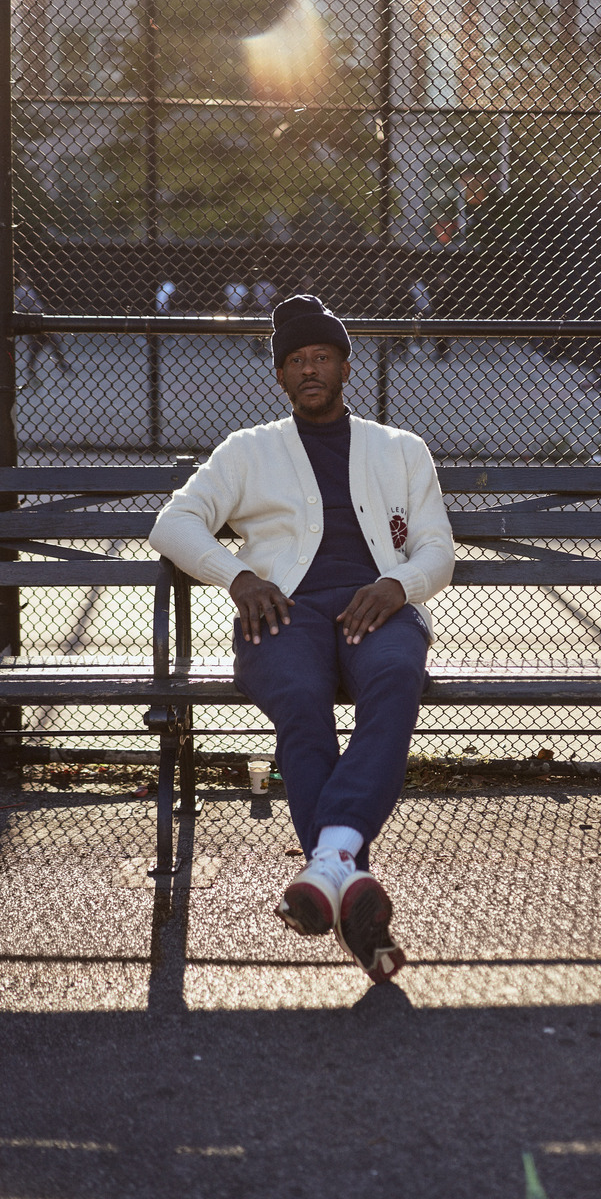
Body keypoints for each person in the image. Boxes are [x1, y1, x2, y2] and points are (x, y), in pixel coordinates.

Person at [149, 295, 455, 984]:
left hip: (378, 607)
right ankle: (345, 870)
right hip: (283, 613)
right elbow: (174, 523)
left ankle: (327, 866)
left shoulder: (401, 449)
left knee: (395, 680)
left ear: (345, 367)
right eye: (295, 360)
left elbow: (436, 549)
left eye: (321, 356)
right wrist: (238, 578)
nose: (309, 368)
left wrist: (398, 585)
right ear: (280, 376)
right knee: (299, 699)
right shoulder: (247, 450)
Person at [14, 273, 72, 379]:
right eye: (23, 276)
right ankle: (61, 363)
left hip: (35, 320)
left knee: (39, 345)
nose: (27, 278)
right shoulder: (22, 290)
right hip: (34, 320)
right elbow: (21, 307)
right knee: (50, 341)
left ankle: (32, 368)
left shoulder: (22, 290)